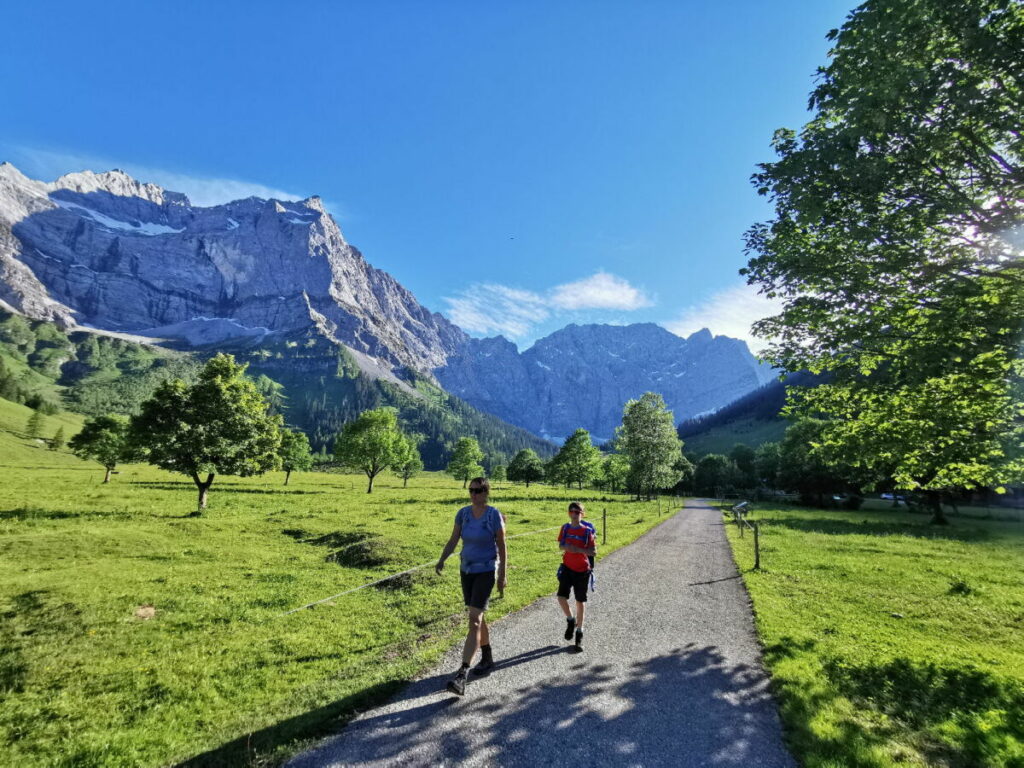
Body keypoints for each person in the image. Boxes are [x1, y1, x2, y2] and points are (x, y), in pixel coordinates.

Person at [436, 476, 507, 696]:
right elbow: (453, 539)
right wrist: (442, 559)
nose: (473, 494)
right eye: (471, 490)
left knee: (474, 620)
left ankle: (462, 675)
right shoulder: (463, 514)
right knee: (478, 615)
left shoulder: (493, 515)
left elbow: (503, 547)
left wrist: (501, 575)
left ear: (486, 492)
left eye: (478, 490)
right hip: (466, 570)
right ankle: (487, 657)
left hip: (486, 570)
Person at [557, 501, 596, 652]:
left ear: (582, 514)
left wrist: (578, 549)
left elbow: (593, 552)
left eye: (577, 512)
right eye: (572, 511)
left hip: (582, 571)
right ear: (568, 513)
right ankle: (570, 619)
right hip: (567, 568)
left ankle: (579, 632)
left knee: (580, 601)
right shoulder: (565, 528)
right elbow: (561, 545)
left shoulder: (587, 532)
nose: (574, 514)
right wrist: (568, 548)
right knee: (561, 597)